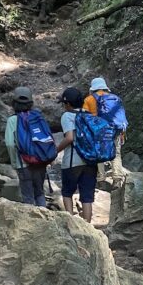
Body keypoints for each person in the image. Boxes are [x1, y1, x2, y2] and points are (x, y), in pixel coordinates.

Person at [4, 86, 51, 208]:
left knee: (28, 197)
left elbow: (10, 143)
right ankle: (46, 221)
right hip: (40, 161)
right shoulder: (37, 117)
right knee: (40, 193)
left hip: (23, 163)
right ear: (31, 103)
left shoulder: (12, 120)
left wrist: (15, 163)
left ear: (14, 103)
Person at [56, 86, 97, 223]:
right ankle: (88, 228)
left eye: (64, 103)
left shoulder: (67, 116)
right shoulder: (89, 115)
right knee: (87, 197)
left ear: (68, 104)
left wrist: (55, 151)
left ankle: (71, 224)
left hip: (72, 161)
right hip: (91, 160)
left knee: (67, 193)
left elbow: (69, 138)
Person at [82, 76, 127, 185]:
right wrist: (123, 134)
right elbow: (121, 117)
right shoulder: (115, 98)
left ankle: (101, 179)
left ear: (93, 88)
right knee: (116, 153)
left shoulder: (89, 99)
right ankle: (117, 179)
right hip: (115, 130)